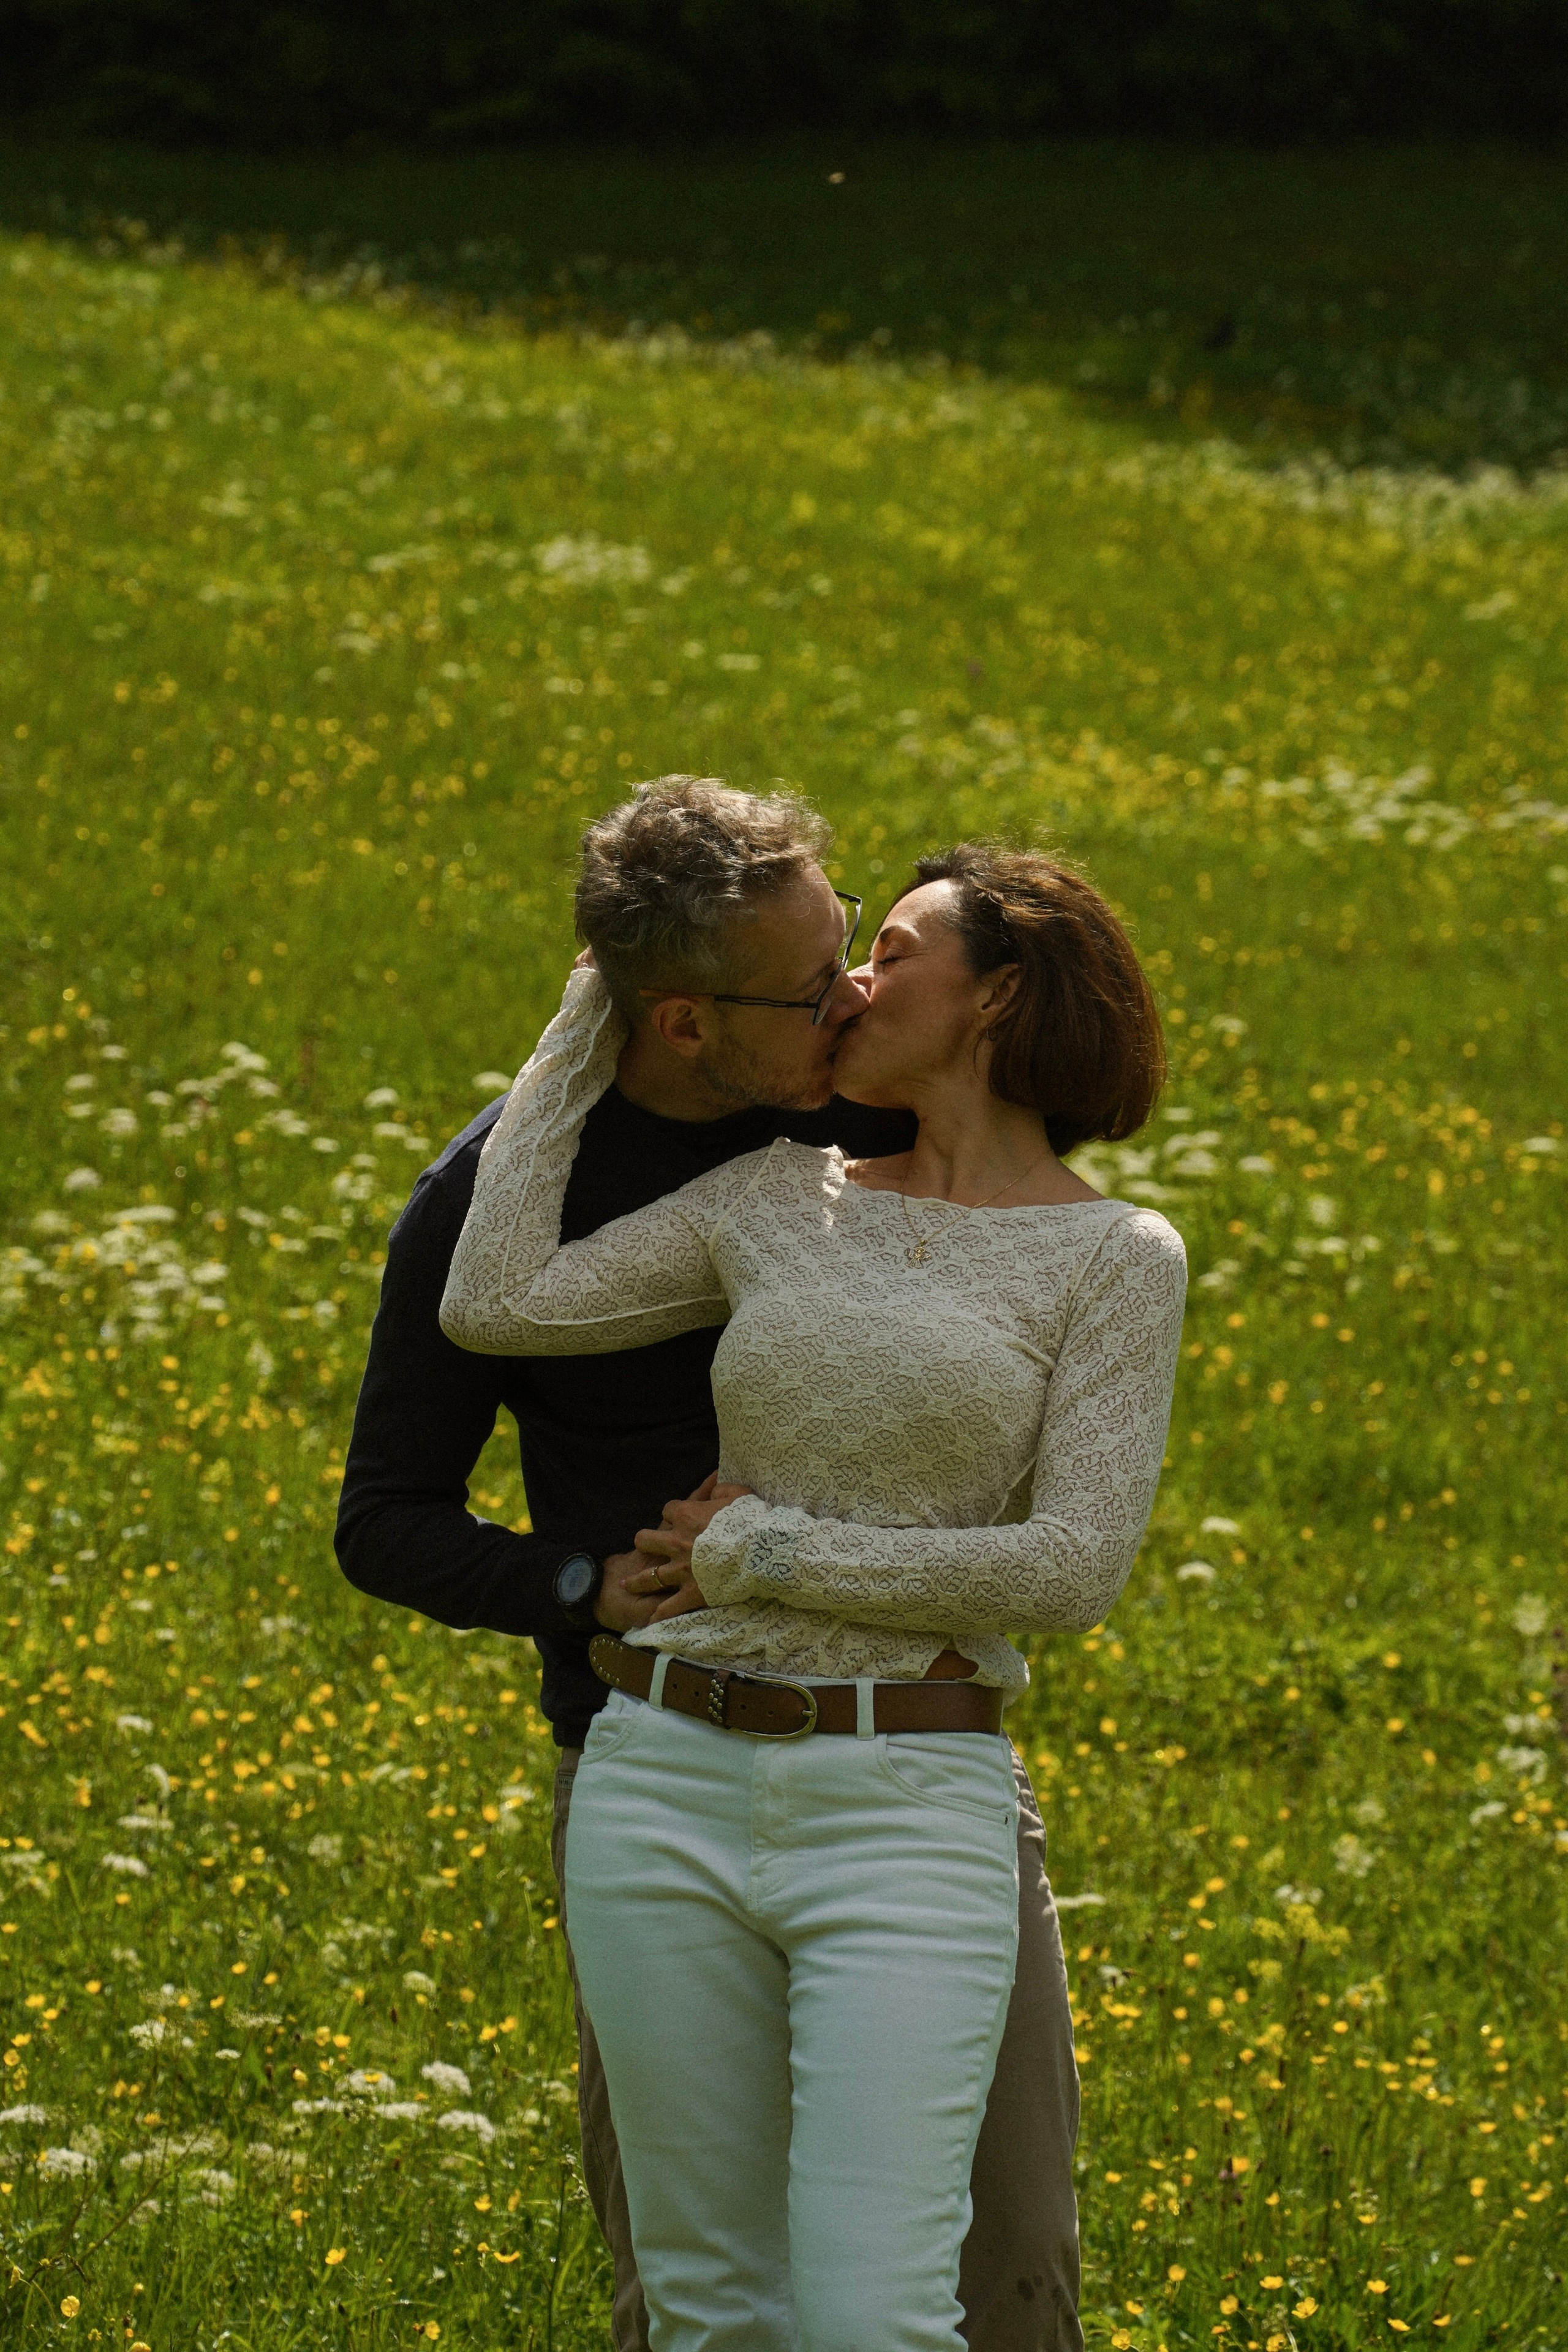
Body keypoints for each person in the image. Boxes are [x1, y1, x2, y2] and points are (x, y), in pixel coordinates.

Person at [337, 778, 1088, 2352]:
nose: (854, 998)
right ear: (678, 1024)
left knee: (999, 2272)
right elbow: (387, 1515)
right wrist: (577, 1587)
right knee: (694, 2304)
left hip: (912, 1765)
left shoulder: (862, 1114)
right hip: (650, 1767)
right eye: (813, 984)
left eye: (852, 951)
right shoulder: (503, 1199)